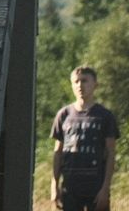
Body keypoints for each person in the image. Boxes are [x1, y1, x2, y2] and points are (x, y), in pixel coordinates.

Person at [51, 65, 119, 211]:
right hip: (70, 186)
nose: (80, 85)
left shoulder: (105, 116)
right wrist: (54, 184)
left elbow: (111, 153)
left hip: (95, 185)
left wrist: (105, 189)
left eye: (84, 81)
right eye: (76, 82)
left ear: (95, 85)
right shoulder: (64, 115)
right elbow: (58, 152)